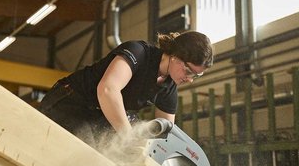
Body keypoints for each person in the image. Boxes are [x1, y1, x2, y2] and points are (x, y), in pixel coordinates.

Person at [38, 30, 213, 147]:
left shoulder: (169, 89)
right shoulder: (138, 52)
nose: (190, 79)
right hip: (70, 102)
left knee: (117, 152)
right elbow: (107, 90)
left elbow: (165, 134)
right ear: (175, 57)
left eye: (196, 76)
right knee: (87, 152)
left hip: (97, 116)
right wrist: (128, 137)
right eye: (189, 71)